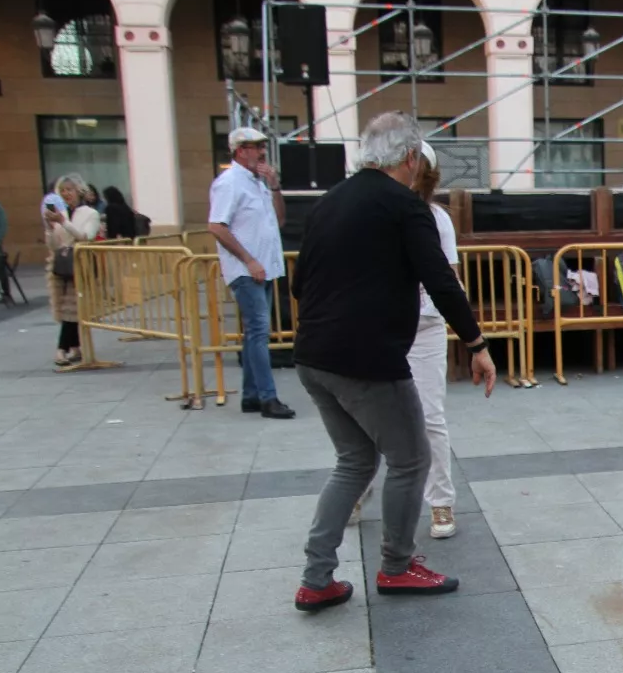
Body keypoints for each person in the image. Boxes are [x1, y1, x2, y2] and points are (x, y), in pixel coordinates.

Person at [290, 112, 497, 613]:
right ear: (410, 158)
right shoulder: (405, 206)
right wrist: (477, 345)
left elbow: (299, 284)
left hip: (314, 357)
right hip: (368, 358)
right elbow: (441, 281)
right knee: (410, 458)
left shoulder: (329, 202)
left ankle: (317, 578)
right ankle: (398, 566)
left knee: (354, 461)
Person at [208, 126, 295, 420]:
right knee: (259, 332)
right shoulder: (229, 182)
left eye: (261, 146)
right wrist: (249, 260)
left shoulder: (257, 183)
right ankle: (268, 397)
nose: (260, 152)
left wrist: (274, 186)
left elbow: (280, 221)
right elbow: (217, 225)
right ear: (239, 150)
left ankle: (251, 396)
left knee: (255, 333)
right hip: (247, 270)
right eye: (254, 147)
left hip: (265, 267)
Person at [409, 142, 463, 540]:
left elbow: (450, 277)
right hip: (376, 327)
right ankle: (356, 490)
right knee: (365, 419)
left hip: (425, 325)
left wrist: (472, 337)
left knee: (430, 416)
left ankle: (440, 502)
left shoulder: (436, 218)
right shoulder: (371, 215)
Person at [43, 174, 100, 369]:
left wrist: (64, 222)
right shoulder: (61, 213)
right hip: (62, 266)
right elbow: (54, 244)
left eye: (70, 189)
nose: (66, 193)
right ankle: (75, 346)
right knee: (68, 307)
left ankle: (61, 348)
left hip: (81, 265)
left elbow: (86, 236)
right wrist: (50, 228)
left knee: (74, 307)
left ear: (79, 191)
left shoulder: (89, 213)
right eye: (63, 190)